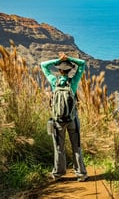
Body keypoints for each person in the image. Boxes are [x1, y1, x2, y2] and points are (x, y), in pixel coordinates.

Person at [41, 52, 88, 182]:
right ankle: (81, 174)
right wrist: (69, 58)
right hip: (72, 119)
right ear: (68, 71)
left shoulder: (54, 82)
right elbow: (83, 64)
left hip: (58, 121)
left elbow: (43, 65)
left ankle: (58, 173)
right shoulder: (73, 83)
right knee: (76, 146)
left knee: (58, 148)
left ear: (60, 70)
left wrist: (58, 60)